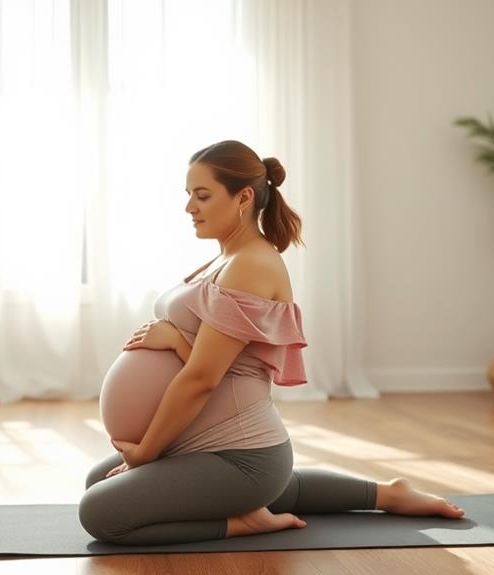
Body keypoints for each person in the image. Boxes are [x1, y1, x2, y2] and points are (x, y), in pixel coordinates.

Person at [79, 140, 465, 546]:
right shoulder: (227, 257)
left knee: (101, 514)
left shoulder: (250, 265)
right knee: (96, 481)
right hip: (203, 442)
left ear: (243, 197)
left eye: (203, 195)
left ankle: (243, 521)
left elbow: (204, 378)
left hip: (240, 456)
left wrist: (147, 451)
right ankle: (386, 493)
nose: (189, 207)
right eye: (189, 195)